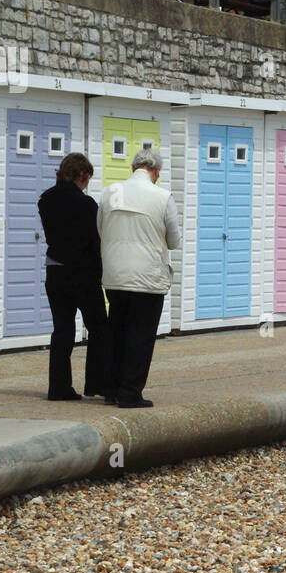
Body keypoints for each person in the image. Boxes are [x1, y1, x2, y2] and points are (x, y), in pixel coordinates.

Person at [99, 148, 181, 409]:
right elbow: (174, 241)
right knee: (140, 335)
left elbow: (101, 229)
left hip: (115, 275)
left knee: (117, 331)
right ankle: (130, 393)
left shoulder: (109, 192)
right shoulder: (163, 196)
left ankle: (111, 389)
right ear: (155, 170)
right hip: (147, 277)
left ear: (133, 168)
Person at [38, 152, 109, 401]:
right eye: (87, 177)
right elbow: (94, 242)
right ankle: (96, 384)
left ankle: (58, 388)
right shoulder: (87, 205)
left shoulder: (45, 200)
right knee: (99, 328)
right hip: (83, 275)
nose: (88, 182)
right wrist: (102, 273)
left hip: (55, 271)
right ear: (81, 175)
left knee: (62, 331)